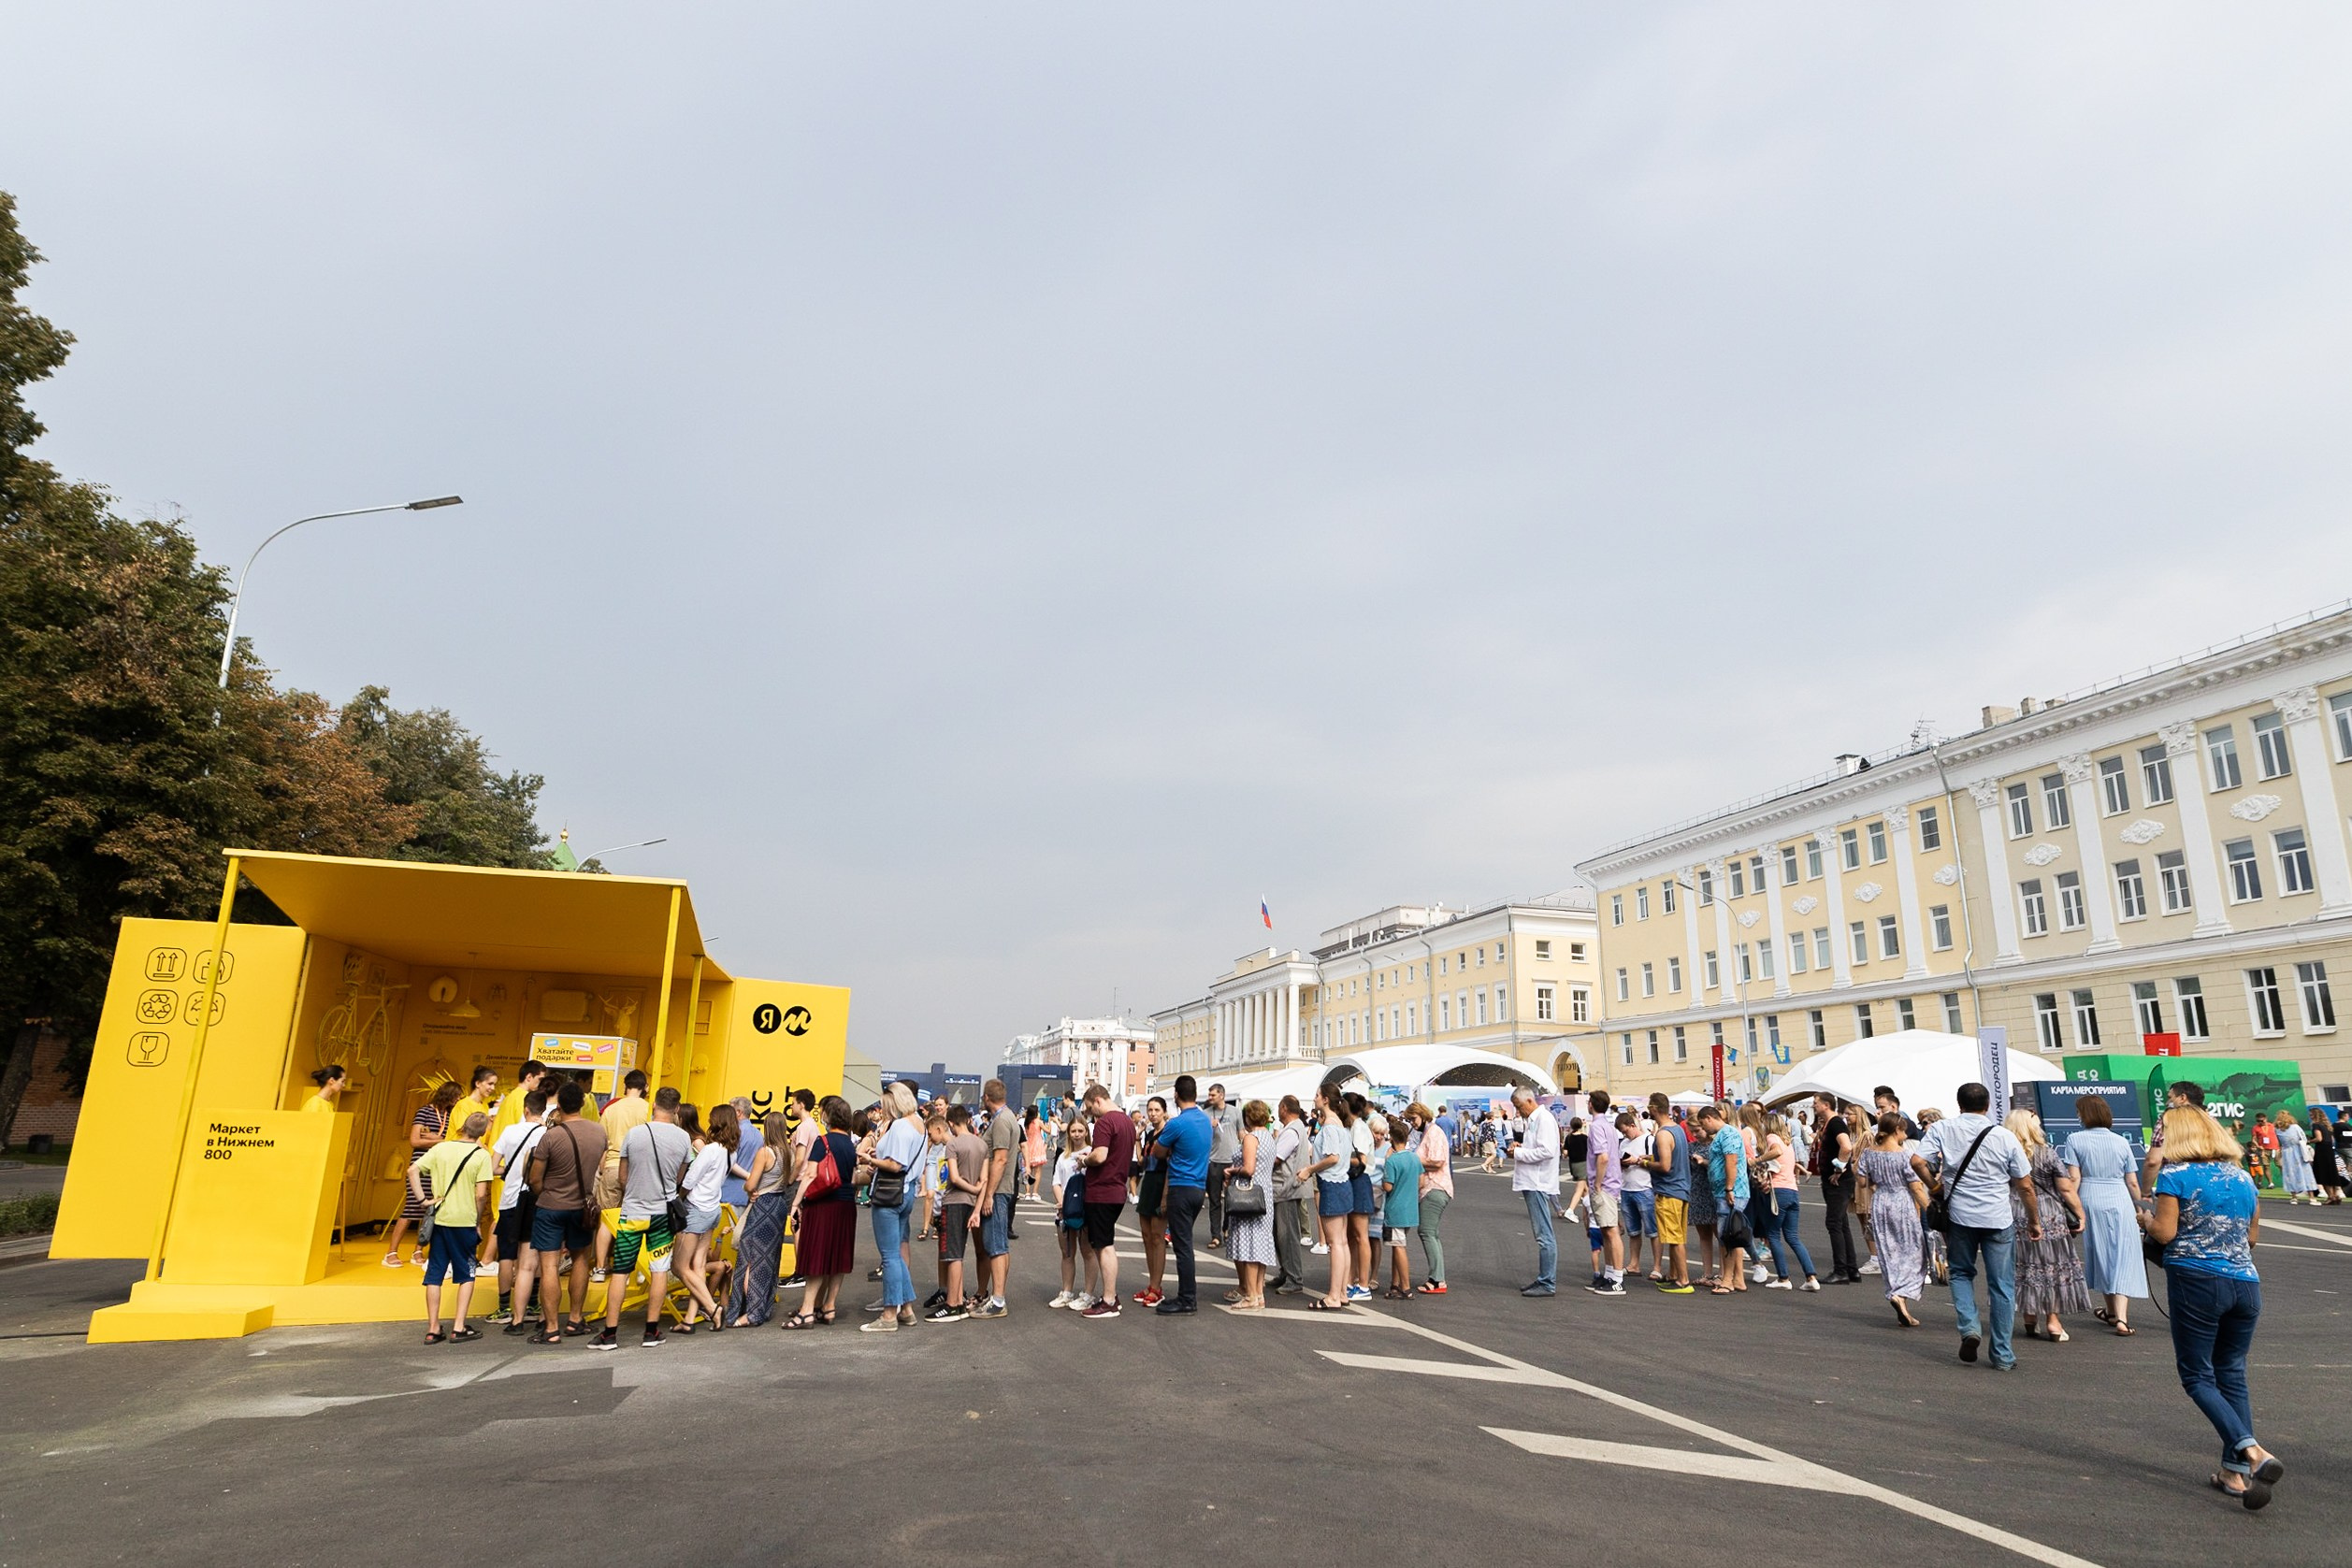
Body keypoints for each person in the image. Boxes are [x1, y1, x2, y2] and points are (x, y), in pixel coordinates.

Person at [2140, 1106, 2285, 1509]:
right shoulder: (2242, 1178)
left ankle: (2253, 1453)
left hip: (2197, 1280)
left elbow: (2166, 1232)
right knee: (2232, 1374)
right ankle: (2233, 1473)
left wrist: (2145, 1220)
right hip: (2245, 1283)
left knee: (2197, 1376)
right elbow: (2252, 1238)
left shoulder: (2176, 1175)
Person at [1912, 1082, 2037, 1371]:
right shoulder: (2004, 1136)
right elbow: (2025, 1186)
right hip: (1998, 1218)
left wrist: (1935, 1187)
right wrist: (2033, 1221)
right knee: (2002, 1286)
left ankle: (1970, 1328)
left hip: (1960, 1216)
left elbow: (1918, 1161)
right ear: (1988, 1105)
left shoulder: (1943, 1129)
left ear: (1959, 1105)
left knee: (1960, 1274)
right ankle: (2003, 1356)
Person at [594, 1086, 691, 1349]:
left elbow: (623, 1176)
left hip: (633, 1212)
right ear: (677, 1109)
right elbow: (681, 1176)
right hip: (662, 1214)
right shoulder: (683, 1139)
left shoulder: (635, 1134)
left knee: (621, 1271)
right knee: (659, 1270)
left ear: (654, 1106)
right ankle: (651, 1332)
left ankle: (609, 1334)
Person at [523, 1080, 604, 1342]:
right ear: (582, 1103)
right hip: (582, 1206)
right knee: (581, 1259)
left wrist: (544, 1192)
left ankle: (551, 1328)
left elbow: (535, 1179)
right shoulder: (598, 1133)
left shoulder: (551, 1136)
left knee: (549, 1266)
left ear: (558, 1106)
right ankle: (576, 1319)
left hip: (551, 1206)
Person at [2062, 1095, 2149, 1335]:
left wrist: (2071, 1207)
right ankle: (2120, 1317)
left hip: (2091, 1197)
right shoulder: (2121, 1142)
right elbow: (2132, 1181)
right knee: (2122, 1253)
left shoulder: (2075, 1139)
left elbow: (2074, 1178)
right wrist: (2140, 1208)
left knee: (2101, 1254)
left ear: (2085, 1114)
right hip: (2119, 1197)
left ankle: (2112, 1313)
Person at [2004, 1109, 2088, 1342]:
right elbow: (2066, 1188)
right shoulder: (2047, 1153)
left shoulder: (2006, 1154)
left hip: (2014, 1211)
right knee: (2052, 1265)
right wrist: (2080, 1214)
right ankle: (2053, 1320)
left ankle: (2029, 1316)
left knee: (2023, 1264)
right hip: (2049, 1214)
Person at [409, 1110, 493, 1343]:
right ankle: (458, 1326)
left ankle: (433, 1328)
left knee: (435, 1274)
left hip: (440, 1219)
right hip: (465, 1221)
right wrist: (477, 1222)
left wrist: (423, 1200)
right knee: (467, 1273)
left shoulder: (441, 1148)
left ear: (463, 1127)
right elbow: (481, 1195)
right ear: (483, 1133)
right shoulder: (481, 1155)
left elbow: (412, 1170)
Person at [782, 1097, 859, 1329]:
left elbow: (810, 1175)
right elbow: (854, 1179)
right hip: (846, 1206)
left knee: (816, 1256)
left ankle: (806, 1311)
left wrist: (796, 1203)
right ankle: (829, 1306)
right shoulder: (851, 1145)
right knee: (837, 1257)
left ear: (829, 1116)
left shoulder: (822, 1142)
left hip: (823, 1205)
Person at [859, 1084, 929, 1333]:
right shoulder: (919, 1124)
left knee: (889, 1256)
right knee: (896, 1255)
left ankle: (890, 1315)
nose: (883, 1109)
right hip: (906, 1193)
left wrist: (871, 1159)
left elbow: (895, 1164)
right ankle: (906, 1310)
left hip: (890, 1194)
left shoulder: (900, 1126)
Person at [1856, 1112, 1928, 1327]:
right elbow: (1916, 1188)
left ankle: (1898, 1298)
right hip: (1902, 1204)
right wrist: (1931, 1208)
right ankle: (1902, 1294)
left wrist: (1877, 1184)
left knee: (1889, 1253)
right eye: (1904, 1130)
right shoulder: (1905, 1155)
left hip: (1880, 1203)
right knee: (1915, 1252)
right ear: (1897, 1130)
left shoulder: (1869, 1154)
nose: (1905, 1134)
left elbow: (1861, 1182)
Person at [488, 1086, 549, 1329]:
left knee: (507, 1254)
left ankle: (504, 1307)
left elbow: (493, 1167)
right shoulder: (547, 1133)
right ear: (543, 1110)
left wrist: (510, 1172)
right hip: (534, 1200)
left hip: (510, 1200)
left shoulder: (510, 1131)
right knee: (530, 1255)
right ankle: (532, 1304)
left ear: (525, 1109)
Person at [1147, 1077, 1209, 1316]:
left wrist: (1172, 1149)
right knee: (1183, 1241)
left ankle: (1187, 1299)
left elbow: (1157, 1151)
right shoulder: (1205, 1121)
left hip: (1180, 1187)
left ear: (1175, 1095)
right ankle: (1186, 1295)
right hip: (1198, 1187)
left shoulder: (1176, 1123)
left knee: (1183, 1246)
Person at [384, 1080, 460, 1268]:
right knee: (411, 1207)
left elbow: (452, 1140)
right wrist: (440, 1141)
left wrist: (436, 1138)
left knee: (431, 1209)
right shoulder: (424, 1112)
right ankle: (390, 1252)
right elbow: (415, 1141)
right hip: (420, 1165)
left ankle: (418, 1249)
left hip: (439, 1166)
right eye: (456, 1096)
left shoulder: (451, 1115)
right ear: (448, 1096)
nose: (458, 1100)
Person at [729, 1111, 794, 1327]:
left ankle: (750, 1311)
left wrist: (750, 1190)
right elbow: (789, 1180)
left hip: (762, 1206)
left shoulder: (765, 1153)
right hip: (778, 1206)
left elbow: (750, 1183)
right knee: (768, 1258)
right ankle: (762, 1308)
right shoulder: (789, 1152)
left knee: (749, 1258)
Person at [591, 1069, 652, 1284]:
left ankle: (599, 1268)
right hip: (637, 1170)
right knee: (634, 1220)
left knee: (607, 1220)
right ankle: (629, 1269)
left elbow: (601, 1142)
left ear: (625, 1086)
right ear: (645, 1087)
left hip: (611, 1166)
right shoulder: (648, 1110)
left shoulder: (611, 1109)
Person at [671, 1103, 729, 1331]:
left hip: (696, 1210)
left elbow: (689, 1179)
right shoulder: (727, 1150)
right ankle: (688, 1320)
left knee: (679, 1266)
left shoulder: (711, 1149)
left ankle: (713, 1309)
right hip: (713, 1210)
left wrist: (679, 1198)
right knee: (698, 1266)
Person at [926, 1104, 985, 1322]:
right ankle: (957, 1300)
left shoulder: (953, 1146)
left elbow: (954, 1178)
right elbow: (984, 1179)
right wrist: (977, 1196)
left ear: (950, 1123)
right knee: (957, 1251)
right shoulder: (981, 1145)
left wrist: (972, 1188)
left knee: (952, 1254)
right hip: (970, 1203)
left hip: (954, 1201)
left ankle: (953, 1303)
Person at [970, 1079, 1023, 1319]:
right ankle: (997, 1296)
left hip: (998, 1190)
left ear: (986, 1098)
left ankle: (998, 1300)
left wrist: (989, 1194)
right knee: (999, 1244)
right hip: (1002, 1189)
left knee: (996, 1245)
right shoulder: (1007, 1117)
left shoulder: (1001, 1120)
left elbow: (1000, 1159)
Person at [1301, 1088, 1358, 1311]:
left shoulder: (1331, 1127)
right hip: (1341, 1184)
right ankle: (1341, 1292)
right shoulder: (1340, 1127)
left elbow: (1332, 1157)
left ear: (1325, 1100)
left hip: (1332, 1184)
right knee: (1341, 1242)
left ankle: (1334, 1295)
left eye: (1317, 1095)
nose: (1314, 1098)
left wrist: (1310, 1169)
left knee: (1336, 1244)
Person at [1757, 1113, 1822, 1290]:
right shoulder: (1789, 1143)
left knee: (1773, 1235)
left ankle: (1783, 1278)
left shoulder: (1772, 1138)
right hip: (1792, 1191)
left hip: (1778, 1191)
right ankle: (1811, 1277)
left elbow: (1775, 1151)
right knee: (1793, 1237)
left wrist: (1757, 1160)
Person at [1508, 1086, 1561, 1297]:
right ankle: (1544, 1279)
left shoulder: (1543, 1119)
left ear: (1529, 1101)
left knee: (1544, 1235)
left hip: (1538, 1182)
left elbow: (1547, 1151)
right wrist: (1520, 1148)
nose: (1518, 1112)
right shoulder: (1536, 1120)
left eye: (1519, 1107)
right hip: (1533, 1181)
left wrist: (1519, 1152)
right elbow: (1539, 1148)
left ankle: (1547, 1282)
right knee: (1542, 1234)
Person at [1223, 1100, 1276, 1309]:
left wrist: (1232, 1170)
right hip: (1264, 1195)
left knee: (1250, 1245)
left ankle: (1251, 1296)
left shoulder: (1252, 1138)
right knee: (1260, 1245)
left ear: (1248, 1117)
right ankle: (1259, 1294)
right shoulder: (1269, 1137)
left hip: (1248, 1196)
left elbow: (1248, 1168)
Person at [1697, 1105, 1752, 1296]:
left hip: (1730, 1192)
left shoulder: (1728, 1134)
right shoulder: (1724, 1135)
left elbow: (1731, 1161)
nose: (1704, 1129)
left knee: (1726, 1236)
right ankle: (1738, 1279)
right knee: (1733, 1235)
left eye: (1703, 1124)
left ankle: (1727, 1280)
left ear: (1709, 1118)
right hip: (1725, 1191)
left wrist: (1729, 1187)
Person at [1645, 1093, 1693, 1295]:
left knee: (1674, 1238)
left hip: (1669, 1190)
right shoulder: (1678, 1130)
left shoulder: (1663, 1134)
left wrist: (1645, 1163)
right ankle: (1674, 1275)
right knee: (1676, 1236)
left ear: (1654, 1108)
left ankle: (1683, 1280)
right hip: (1681, 1188)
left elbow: (1664, 1165)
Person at [1813, 1093, 1861, 1284]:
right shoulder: (1829, 1124)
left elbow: (1846, 1147)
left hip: (1838, 1182)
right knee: (1841, 1224)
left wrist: (1839, 1169)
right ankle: (1851, 1269)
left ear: (1826, 1105)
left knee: (1834, 1223)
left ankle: (1841, 1270)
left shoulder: (1835, 1123)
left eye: (1816, 1104)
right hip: (1832, 1180)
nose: (1814, 1106)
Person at [1269, 1096, 1314, 1296]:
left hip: (1285, 1187)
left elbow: (1277, 1158)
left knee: (1287, 1236)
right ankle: (1287, 1272)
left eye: (1279, 1107)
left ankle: (1294, 1277)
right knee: (1281, 1234)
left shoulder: (1291, 1130)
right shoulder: (1296, 1128)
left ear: (1285, 1108)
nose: (1278, 1110)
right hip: (1286, 1187)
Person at [1131, 1098, 1172, 1307]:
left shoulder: (1168, 1134)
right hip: (1148, 1182)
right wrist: (1137, 1140)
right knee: (1146, 1237)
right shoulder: (1149, 1134)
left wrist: (1165, 1195)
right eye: (1150, 1110)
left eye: (1157, 1110)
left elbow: (1170, 1165)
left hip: (1161, 1183)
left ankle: (1157, 1287)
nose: (1153, 1113)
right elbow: (1142, 1162)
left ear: (1164, 1112)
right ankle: (1151, 1283)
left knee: (1157, 1237)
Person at [1583, 1093, 1624, 1295]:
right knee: (1607, 1231)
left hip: (1605, 1184)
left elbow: (1603, 1157)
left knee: (1610, 1231)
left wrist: (1597, 1183)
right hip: (1611, 1183)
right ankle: (1610, 1274)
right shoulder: (1608, 1126)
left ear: (1591, 1104)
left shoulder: (1597, 1127)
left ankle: (1617, 1279)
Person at [1409, 1102, 1452, 1295]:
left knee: (1427, 1231)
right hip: (1433, 1188)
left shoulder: (1434, 1132)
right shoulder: (1429, 1132)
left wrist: (1413, 1160)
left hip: (1435, 1187)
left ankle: (1437, 1279)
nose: (1412, 1123)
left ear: (1422, 1115)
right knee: (1431, 1233)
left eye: (1413, 1119)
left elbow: (1437, 1161)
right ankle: (1437, 1277)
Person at [1048, 1119, 1090, 1309]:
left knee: (1087, 1251)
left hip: (1085, 1210)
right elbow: (1056, 1181)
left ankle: (1088, 1294)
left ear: (1086, 1132)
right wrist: (1063, 1204)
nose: (1076, 1134)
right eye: (1073, 1130)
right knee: (1067, 1252)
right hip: (1064, 1210)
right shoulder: (1063, 1157)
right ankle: (1066, 1291)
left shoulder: (1092, 1153)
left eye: (1080, 1130)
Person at [1378, 1112, 1421, 1299]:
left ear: (1392, 1138)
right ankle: (1395, 1284)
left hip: (1395, 1209)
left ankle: (1405, 1286)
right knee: (1399, 1245)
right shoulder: (1414, 1158)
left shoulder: (1393, 1160)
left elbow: (1388, 1186)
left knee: (1399, 1247)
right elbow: (1420, 1182)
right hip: (1410, 1209)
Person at [1618, 1109, 1656, 1281]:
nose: (1624, 1134)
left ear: (1633, 1125)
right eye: (1622, 1132)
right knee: (1633, 1231)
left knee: (1653, 1231)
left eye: (1626, 1130)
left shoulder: (1649, 1139)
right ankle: (1634, 1264)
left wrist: (1638, 1161)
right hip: (1627, 1189)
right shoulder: (1623, 1143)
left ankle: (1657, 1267)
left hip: (1645, 1188)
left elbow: (1658, 1161)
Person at [1202, 1083, 1241, 1248]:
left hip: (1231, 1160)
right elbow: (1202, 1137)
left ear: (1222, 1095)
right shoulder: (1205, 1114)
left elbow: (1241, 1134)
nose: (1210, 1098)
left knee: (1231, 1200)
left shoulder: (1234, 1112)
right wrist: (1209, 1128)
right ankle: (1215, 1235)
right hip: (1214, 1161)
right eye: (1209, 1095)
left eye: (1213, 1095)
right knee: (1215, 1200)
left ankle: (1227, 1228)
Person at [723, 1094, 763, 1209]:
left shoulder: (734, 1132)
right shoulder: (759, 1135)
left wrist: (747, 1176)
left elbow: (729, 1162)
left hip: (728, 1194)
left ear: (738, 1112)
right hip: (747, 1195)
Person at [2274, 1111, 2318, 1204]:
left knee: (2290, 1173)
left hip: (2287, 1152)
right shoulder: (2295, 1127)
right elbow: (2303, 1138)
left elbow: (2279, 1142)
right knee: (2306, 1172)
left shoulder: (2277, 1129)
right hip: (2298, 1151)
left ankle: (2294, 1197)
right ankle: (2312, 1197)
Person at [2312, 1105, 2346, 1205]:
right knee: (2331, 1173)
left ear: (2315, 1116)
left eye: (2311, 1115)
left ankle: (2330, 1196)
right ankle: (2335, 1195)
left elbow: (2319, 1138)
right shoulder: (2328, 1125)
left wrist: (2309, 1141)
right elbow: (2332, 1140)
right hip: (2329, 1150)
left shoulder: (2316, 1125)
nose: (2310, 1117)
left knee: (2322, 1173)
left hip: (2321, 1150)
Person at [1562, 1115, 1590, 1223]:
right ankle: (1570, 1210)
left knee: (1586, 1189)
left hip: (1573, 1165)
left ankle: (1589, 1210)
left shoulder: (1568, 1138)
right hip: (1583, 1164)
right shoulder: (1585, 1138)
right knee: (1580, 1189)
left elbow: (1565, 1153)